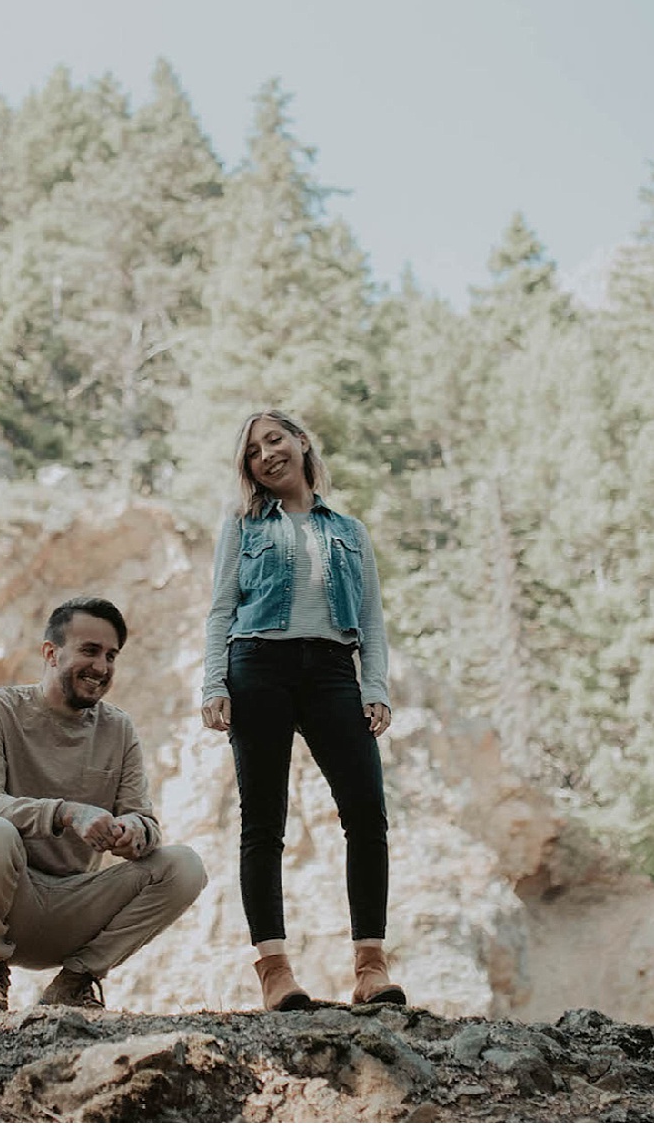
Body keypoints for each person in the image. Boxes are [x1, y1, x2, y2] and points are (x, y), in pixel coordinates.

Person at [201, 408, 405, 1011]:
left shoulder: (349, 529)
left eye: (275, 440)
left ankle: (370, 966)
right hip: (257, 666)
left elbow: (370, 617)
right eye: (253, 451)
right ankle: (275, 971)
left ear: (300, 442)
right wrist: (215, 685)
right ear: (248, 468)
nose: (266, 455)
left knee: (366, 812)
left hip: (332, 672)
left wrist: (376, 687)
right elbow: (220, 610)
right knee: (263, 822)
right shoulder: (241, 526)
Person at [0, 595, 207, 1010]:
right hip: (3, 901)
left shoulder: (119, 729)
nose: (101, 667)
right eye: (89, 651)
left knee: (185, 866)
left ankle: (76, 982)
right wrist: (68, 812)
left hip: (75, 907)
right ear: (51, 653)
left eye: (111, 655)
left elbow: (145, 820)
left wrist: (134, 834)